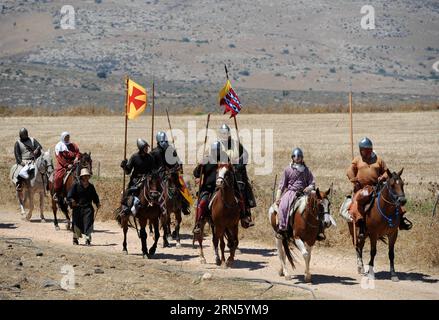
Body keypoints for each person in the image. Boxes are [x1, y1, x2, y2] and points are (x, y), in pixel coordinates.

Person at [347, 137, 412, 238]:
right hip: (363, 188)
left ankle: (401, 220)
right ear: (361, 151)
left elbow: (387, 172)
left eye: (370, 150)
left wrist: (383, 177)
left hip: (377, 186)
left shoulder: (378, 160)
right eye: (365, 150)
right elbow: (350, 170)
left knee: (393, 197)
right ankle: (361, 225)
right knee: (358, 200)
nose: (368, 152)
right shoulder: (357, 160)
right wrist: (353, 179)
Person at [274, 148, 322, 239]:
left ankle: (319, 230)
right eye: (296, 156)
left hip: (304, 192)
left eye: (300, 157)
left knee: (318, 205)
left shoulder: (306, 170)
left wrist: (309, 187)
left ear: (302, 158)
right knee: (283, 206)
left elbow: (312, 182)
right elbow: (282, 185)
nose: (298, 158)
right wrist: (278, 197)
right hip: (291, 192)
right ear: (292, 157)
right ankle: (282, 228)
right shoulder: (287, 170)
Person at [217, 123, 255, 228]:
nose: (224, 135)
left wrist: (238, 163)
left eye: (226, 133)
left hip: (237, 174)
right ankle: (206, 216)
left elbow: (245, 155)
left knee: (244, 190)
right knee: (210, 190)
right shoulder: (217, 145)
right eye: (222, 133)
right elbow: (213, 159)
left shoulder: (236, 144)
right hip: (222, 174)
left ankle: (245, 215)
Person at [150, 131, 191, 215]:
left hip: (171, 174)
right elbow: (151, 166)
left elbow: (178, 161)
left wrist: (178, 167)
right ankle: (151, 205)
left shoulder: (171, 150)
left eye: (165, 141)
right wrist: (156, 172)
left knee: (182, 186)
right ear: (158, 141)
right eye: (162, 141)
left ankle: (184, 205)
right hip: (158, 176)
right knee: (152, 189)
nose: (164, 143)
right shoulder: (154, 152)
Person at [192, 142, 225, 235]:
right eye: (215, 151)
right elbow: (196, 173)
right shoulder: (207, 160)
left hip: (220, 188)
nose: (216, 152)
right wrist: (200, 166)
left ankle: (241, 217)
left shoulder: (224, 160)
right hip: (208, 188)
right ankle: (198, 224)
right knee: (202, 203)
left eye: (218, 151)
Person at [120, 138, 154, 216]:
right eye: (145, 147)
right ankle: (125, 209)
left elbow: (153, 169)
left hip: (148, 180)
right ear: (141, 148)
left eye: (147, 147)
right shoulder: (134, 157)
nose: (147, 149)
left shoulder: (150, 157)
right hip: (135, 180)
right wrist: (124, 166)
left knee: (156, 191)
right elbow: (128, 171)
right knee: (127, 192)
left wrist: (152, 175)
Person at [67, 168, 100, 246]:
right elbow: (69, 195)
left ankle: (88, 239)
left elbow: (95, 196)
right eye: (84, 176)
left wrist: (97, 203)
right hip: (78, 207)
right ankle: (75, 239)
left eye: (87, 176)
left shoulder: (91, 186)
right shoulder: (76, 185)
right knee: (76, 224)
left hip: (88, 208)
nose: (85, 177)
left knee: (88, 223)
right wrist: (72, 201)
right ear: (81, 177)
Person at [53, 132, 80, 202]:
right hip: (63, 165)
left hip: (74, 163)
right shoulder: (59, 146)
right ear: (62, 138)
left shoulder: (72, 145)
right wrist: (67, 165)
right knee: (58, 177)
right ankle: (57, 193)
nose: (67, 139)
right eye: (66, 137)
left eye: (68, 137)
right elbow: (60, 158)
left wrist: (77, 158)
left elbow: (77, 152)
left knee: (82, 173)